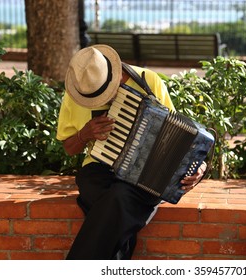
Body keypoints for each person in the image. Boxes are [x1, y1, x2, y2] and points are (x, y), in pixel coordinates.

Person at [57, 44, 207, 260]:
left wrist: (199, 166)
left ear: (115, 75)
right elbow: (69, 147)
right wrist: (84, 134)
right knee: (102, 192)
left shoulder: (149, 80)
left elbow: (181, 134)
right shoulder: (78, 92)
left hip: (148, 170)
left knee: (117, 197)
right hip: (98, 168)